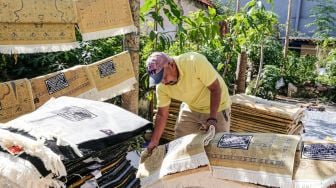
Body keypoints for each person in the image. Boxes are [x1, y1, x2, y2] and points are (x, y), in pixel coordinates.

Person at [146, 52, 231, 153]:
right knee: (179, 144)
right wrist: (154, 142)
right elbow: (161, 114)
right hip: (192, 106)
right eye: (158, 79)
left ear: (172, 65)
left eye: (164, 77)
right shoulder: (161, 87)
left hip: (218, 105)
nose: (163, 82)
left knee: (218, 147)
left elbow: (216, 89)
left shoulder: (194, 62)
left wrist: (212, 118)